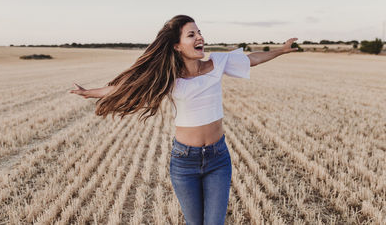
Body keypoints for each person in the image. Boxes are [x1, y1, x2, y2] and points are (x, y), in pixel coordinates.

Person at [70, 14, 298, 224]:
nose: (200, 37)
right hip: (184, 161)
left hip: (218, 159)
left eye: (199, 33)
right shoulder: (168, 77)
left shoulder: (217, 63)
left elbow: (252, 59)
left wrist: (282, 50)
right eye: (192, 34)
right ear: (177, 46)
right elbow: (129, 85)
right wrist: (90, 92)